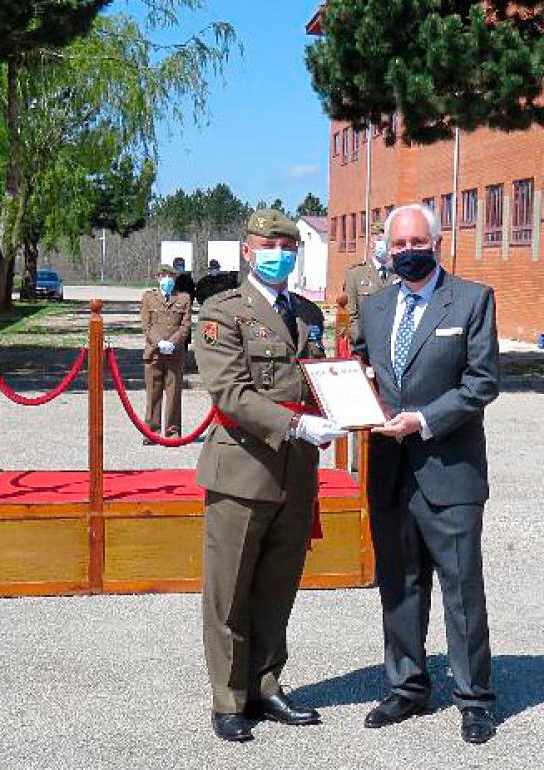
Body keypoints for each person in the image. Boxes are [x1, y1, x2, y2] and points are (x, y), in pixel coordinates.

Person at [193, 208, 344, 743]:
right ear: (248, 251)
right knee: (229, 591)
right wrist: (297, 426)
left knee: (279, 587)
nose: (279, 253)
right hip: (242, 471)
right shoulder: (222, 311)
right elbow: (230, 392)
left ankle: (267, 683)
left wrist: (351, 398)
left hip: (297, 473)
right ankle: (229, 699)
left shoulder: (307, 313)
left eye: (288, 245)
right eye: (268, 244)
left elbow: (318, 378)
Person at [353, 203, 500, 744]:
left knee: (462, 588)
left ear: (437, 244)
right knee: (399, 584)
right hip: (390, 470)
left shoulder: (472, 300)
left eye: (418, 242)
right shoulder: (374, 304)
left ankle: (475, 698)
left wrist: (424, 420)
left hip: (449, 470)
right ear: (387, 250)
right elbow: (365, 363)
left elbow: (482, 383)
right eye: (399, 245)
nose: (408, 251)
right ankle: (406, 687)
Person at [139, 263, 192, 443]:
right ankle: (151, 431)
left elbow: (185, 326)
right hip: (154, 352)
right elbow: (146, 325)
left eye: (170, 276)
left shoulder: (184, 298)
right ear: (158, 278)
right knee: (153, 392)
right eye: (163, 276)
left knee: (174, 392)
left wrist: (173, 342)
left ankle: (172, 432)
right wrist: (159, 342)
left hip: (175, 354)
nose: (167, 280)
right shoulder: (149, 298)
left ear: (175, 279)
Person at [342, 220, 398, 342]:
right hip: (364, 344)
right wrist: (361, 340)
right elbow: (350, 315)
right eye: (379, 240)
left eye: (387, 240)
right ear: (371, 243)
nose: (384, 244)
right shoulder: (355, 274)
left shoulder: (399, 274)